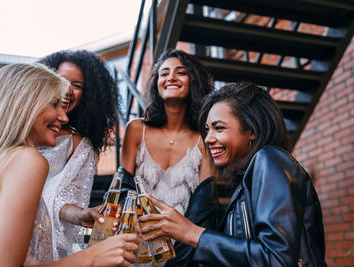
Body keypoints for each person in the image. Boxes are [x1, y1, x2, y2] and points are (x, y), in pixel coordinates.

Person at [0, 63, 138, 266]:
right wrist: (93, 257)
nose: (64, 117)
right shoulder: (26, 160)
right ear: (22, 104)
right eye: (54, 104)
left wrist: (79, 214)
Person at [138, 82, 327, 267]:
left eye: (219, 128)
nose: (209, 139)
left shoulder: (269, 159)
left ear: (252, 130)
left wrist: (192, 233)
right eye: (207, 129)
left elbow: (276, 259)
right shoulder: (246, 180)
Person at [36, 50, 119, 258]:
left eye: (78, 85)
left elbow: (61, 199)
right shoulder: (13, 130)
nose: (68, 89)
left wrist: (83, 214)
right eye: (61, 80)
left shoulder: (79, 145)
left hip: (38, 238)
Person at [121, 49, 215, 216]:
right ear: (157, 83)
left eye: (181, 73)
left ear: (193, 81)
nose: (171, 77)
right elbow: (122, 191)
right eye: (164, 74)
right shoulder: (136, 129)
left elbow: (204, 206)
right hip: (135, 235)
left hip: (182, 239)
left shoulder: (204, 139)